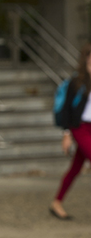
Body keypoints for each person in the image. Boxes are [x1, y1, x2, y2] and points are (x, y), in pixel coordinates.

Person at [50, 42, 91, 220]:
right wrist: (66, 134)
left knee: (75, 168)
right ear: (87, 58)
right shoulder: (77, 81)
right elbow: (66, 108)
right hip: (79, 127)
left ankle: (56, 202)